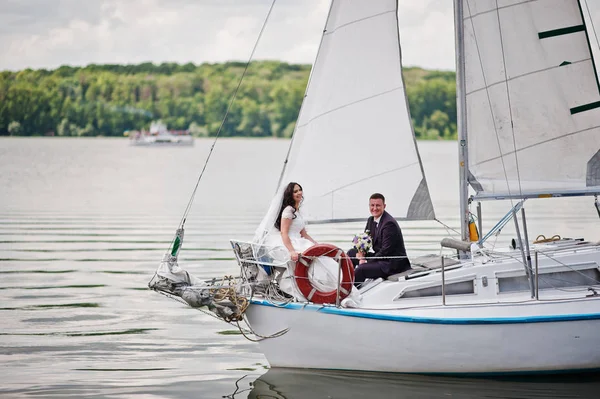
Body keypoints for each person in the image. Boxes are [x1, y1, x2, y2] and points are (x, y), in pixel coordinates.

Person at [348, 193, 411, 286]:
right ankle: (344, 281)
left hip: (391, 263)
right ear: (369, 206)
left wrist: (366, 262)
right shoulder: (370, 220)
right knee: (351, 253)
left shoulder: (389, 224)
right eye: (372, 205)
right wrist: (361, 252)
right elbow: (365, 240)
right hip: (381, 258)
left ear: (384, 206)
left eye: (378, 205)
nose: (375, 208)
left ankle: (349, 291)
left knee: (362, 269)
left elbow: (386, 252)